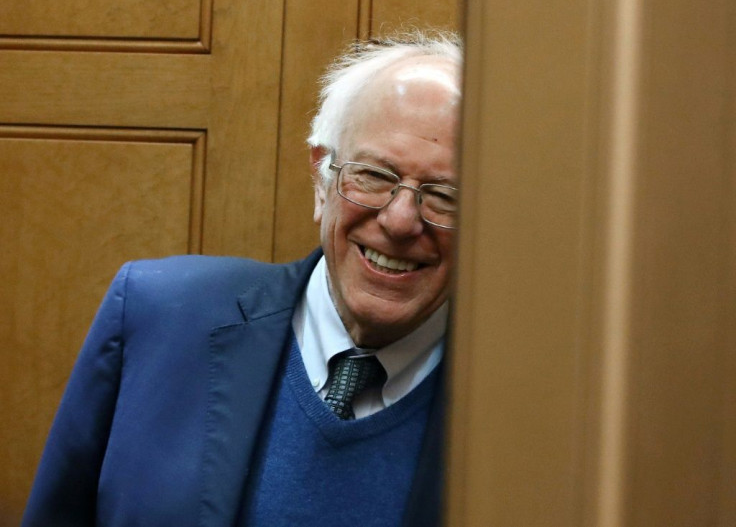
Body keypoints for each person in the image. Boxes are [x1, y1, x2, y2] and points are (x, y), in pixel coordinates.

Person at [22, 31, 462, 527]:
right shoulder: (157, 316)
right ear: (322, 179)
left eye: (445, 195)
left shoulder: (520, 413)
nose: (401, 221)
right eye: (374, 176)